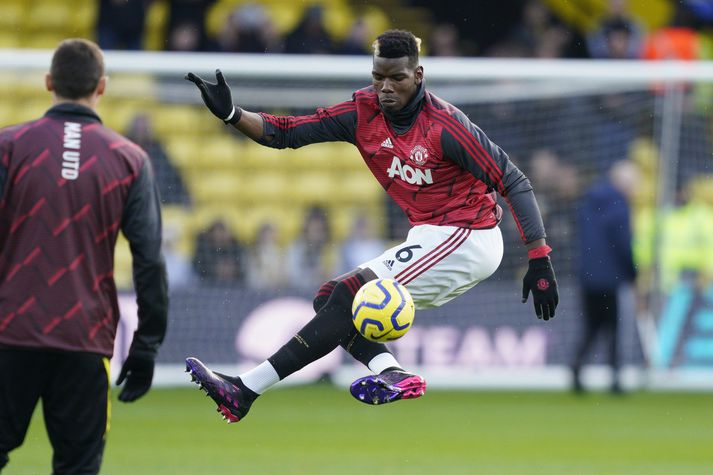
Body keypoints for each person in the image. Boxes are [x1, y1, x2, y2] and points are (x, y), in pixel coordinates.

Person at [184, 29, 558, 423]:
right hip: (431, 234)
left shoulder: (445, 126)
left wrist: (539, 258)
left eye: (396, 78)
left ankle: (244, 389)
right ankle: (392, 373)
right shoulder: (362, 112)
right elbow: (287, 132)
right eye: (378, 76)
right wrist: (232, 115)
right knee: (329, 298)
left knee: (348, 293)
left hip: (469, 236)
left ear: (418, 75)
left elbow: (513, 179)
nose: (385, 87)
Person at [0, 39, 168, 472]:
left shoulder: (9, 146)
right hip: (83, 338)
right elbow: (149, 258)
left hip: (9, 332)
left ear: (48, 83)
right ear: (103, 87)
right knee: (78, 466)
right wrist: (146, 346)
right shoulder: (129, 159)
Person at [571, 160, 638, 394]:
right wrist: (633, 273)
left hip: (588, 277)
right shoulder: (620, 206)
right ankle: (616, 378)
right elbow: (623, 244)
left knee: (591, 327)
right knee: (615, 330)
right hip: (612, 279)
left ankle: (577, 368)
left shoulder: (588, 202)